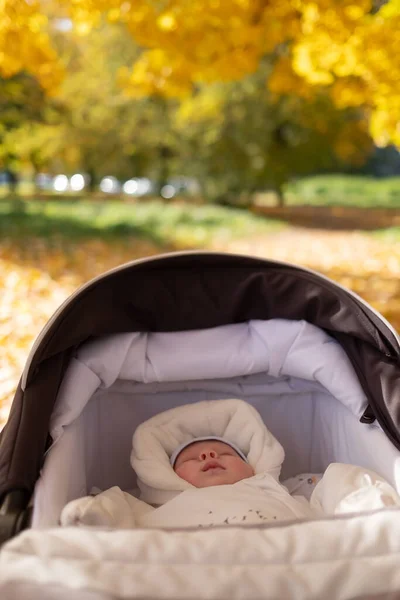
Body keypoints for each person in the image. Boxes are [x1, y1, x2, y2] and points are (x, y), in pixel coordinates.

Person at [60, 399, 400, 529]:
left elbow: (335, 486)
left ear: (253, 466)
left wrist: (368, 505)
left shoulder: (285, 489)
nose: (209, 456)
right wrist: (95, 517)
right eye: (192, 458)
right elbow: (113, 509)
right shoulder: (146, 505)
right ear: (165, 477)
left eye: (225, 453)